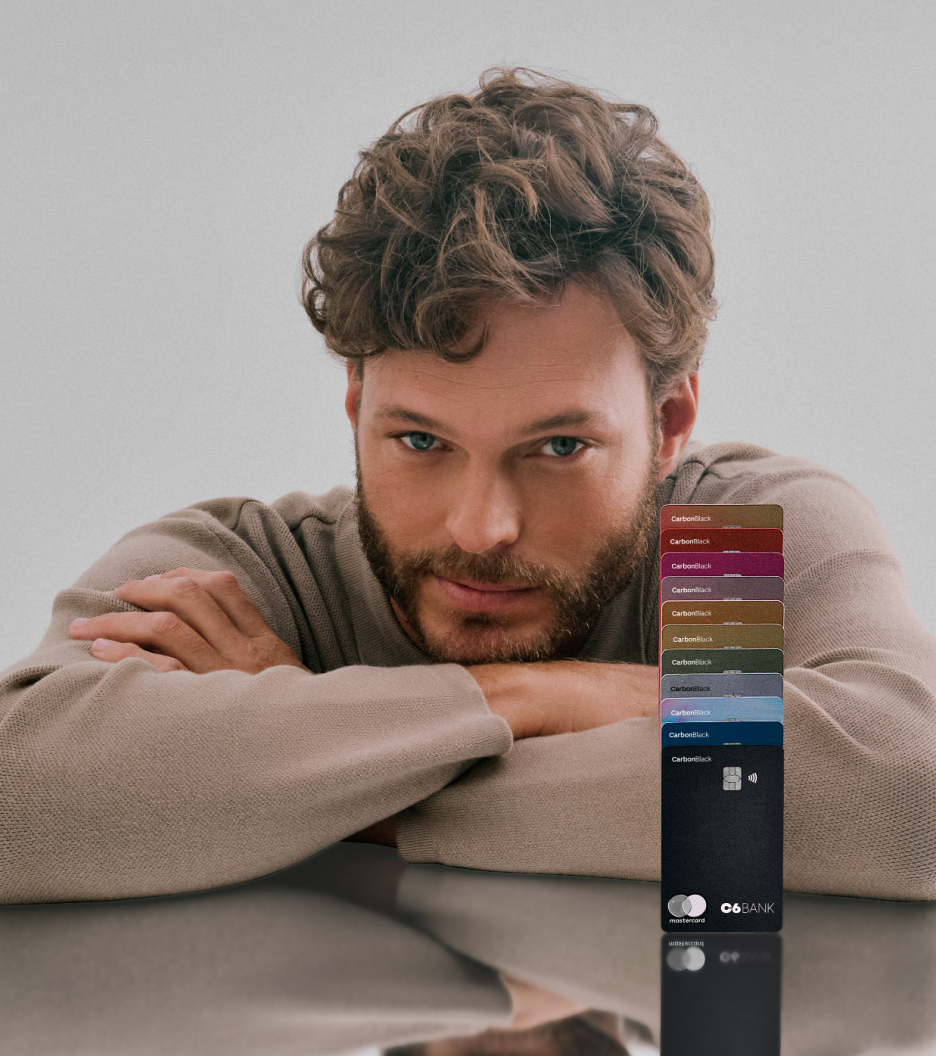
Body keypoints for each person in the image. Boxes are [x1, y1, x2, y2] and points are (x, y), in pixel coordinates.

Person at [2, 68, 935, 906]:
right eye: (420, 440)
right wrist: (543, 699)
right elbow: (20, 797)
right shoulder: (245, 579)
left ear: (669, 428)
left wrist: (336, 782)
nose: (482, 527)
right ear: (357, 407)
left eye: (560, 447)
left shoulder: (712, 546)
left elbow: (902, 795)